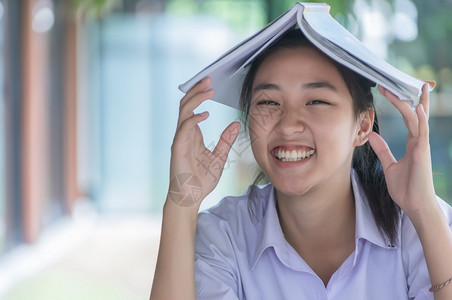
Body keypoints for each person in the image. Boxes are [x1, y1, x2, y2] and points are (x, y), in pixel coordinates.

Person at [150, 27, 452, 299]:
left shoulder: (420, 223)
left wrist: (424, 212)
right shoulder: (223, 235)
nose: (289, 125)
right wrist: (181, 205)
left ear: (362, 126)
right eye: (268, 102)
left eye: (316, 101)